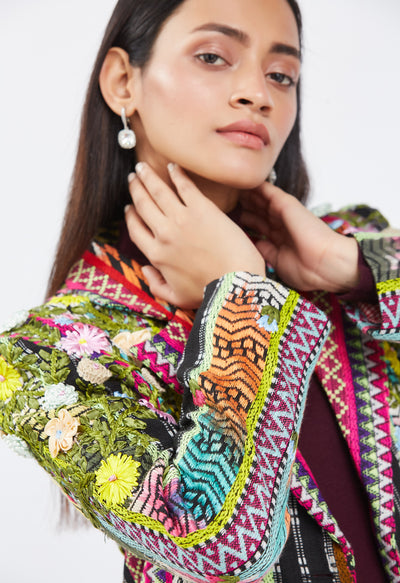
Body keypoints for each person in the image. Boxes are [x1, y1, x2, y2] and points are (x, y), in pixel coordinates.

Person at [1, 0, 400, 582]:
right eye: (213, 57)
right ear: (122, 81)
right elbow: (216, 546)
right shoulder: (48, 354)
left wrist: (348, 268)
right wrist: (241, 296)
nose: (257, 94)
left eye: (281, 74)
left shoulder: (358, 251)